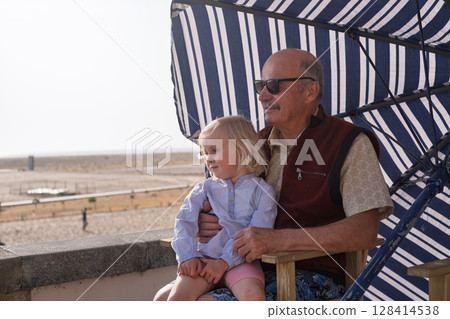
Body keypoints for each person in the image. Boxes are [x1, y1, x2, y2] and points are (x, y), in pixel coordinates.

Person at [154, 48, 393, 301]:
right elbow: (220, 197)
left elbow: (364, 231)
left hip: (314, 274)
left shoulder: (350, 143)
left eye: (274, 85)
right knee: (162, 300)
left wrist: (279, 241)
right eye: (260, 86)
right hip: (244, 265)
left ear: (310, 91)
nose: (263, 96)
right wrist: (206, 222)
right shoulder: (254, 143)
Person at [163, 115, 277, 301]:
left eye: (214, 151)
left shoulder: (263, 192)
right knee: (176, 299)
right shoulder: (204, 189)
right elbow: (184, 222)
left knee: (253, 295)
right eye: (205, 153)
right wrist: (188, 255)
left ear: (243, 151)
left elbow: (258, 234)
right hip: (204, 259)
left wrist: (225, 261)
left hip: (241, 261)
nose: (208, 159)